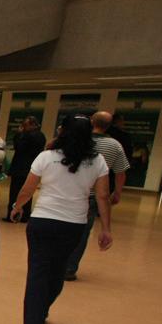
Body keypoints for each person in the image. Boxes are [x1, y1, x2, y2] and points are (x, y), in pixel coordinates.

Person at [10, 115, 112, 324]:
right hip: (74, 225)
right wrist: (106, 229)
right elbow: (103, 196)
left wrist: (18, 206)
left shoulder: (46, 157)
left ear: (62, 131)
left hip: (43, 221)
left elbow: (29, 187)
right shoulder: (97, 162)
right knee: (57, 272)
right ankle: (41, 310)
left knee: (38, 272)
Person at [64, 111, 129, 280]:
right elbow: (121, 173)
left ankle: (55, 264)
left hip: (69, 192)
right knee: (82, 233)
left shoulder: (77, 140)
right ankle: (69, 268)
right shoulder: (115, 146)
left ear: (92, 122)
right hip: (92, 196)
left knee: (60, 229)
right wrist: (118, 192)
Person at [5, 116, 46, 222]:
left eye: (25, 125)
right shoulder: (41, 136)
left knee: (15, 192)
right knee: (28, 194)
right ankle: (25, 215)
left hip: (20, 168)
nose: (23, 127)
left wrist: (19, 134)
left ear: (32, 125)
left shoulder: (26, 136)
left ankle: (12, 215)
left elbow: (18, 147)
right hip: (31, 168)